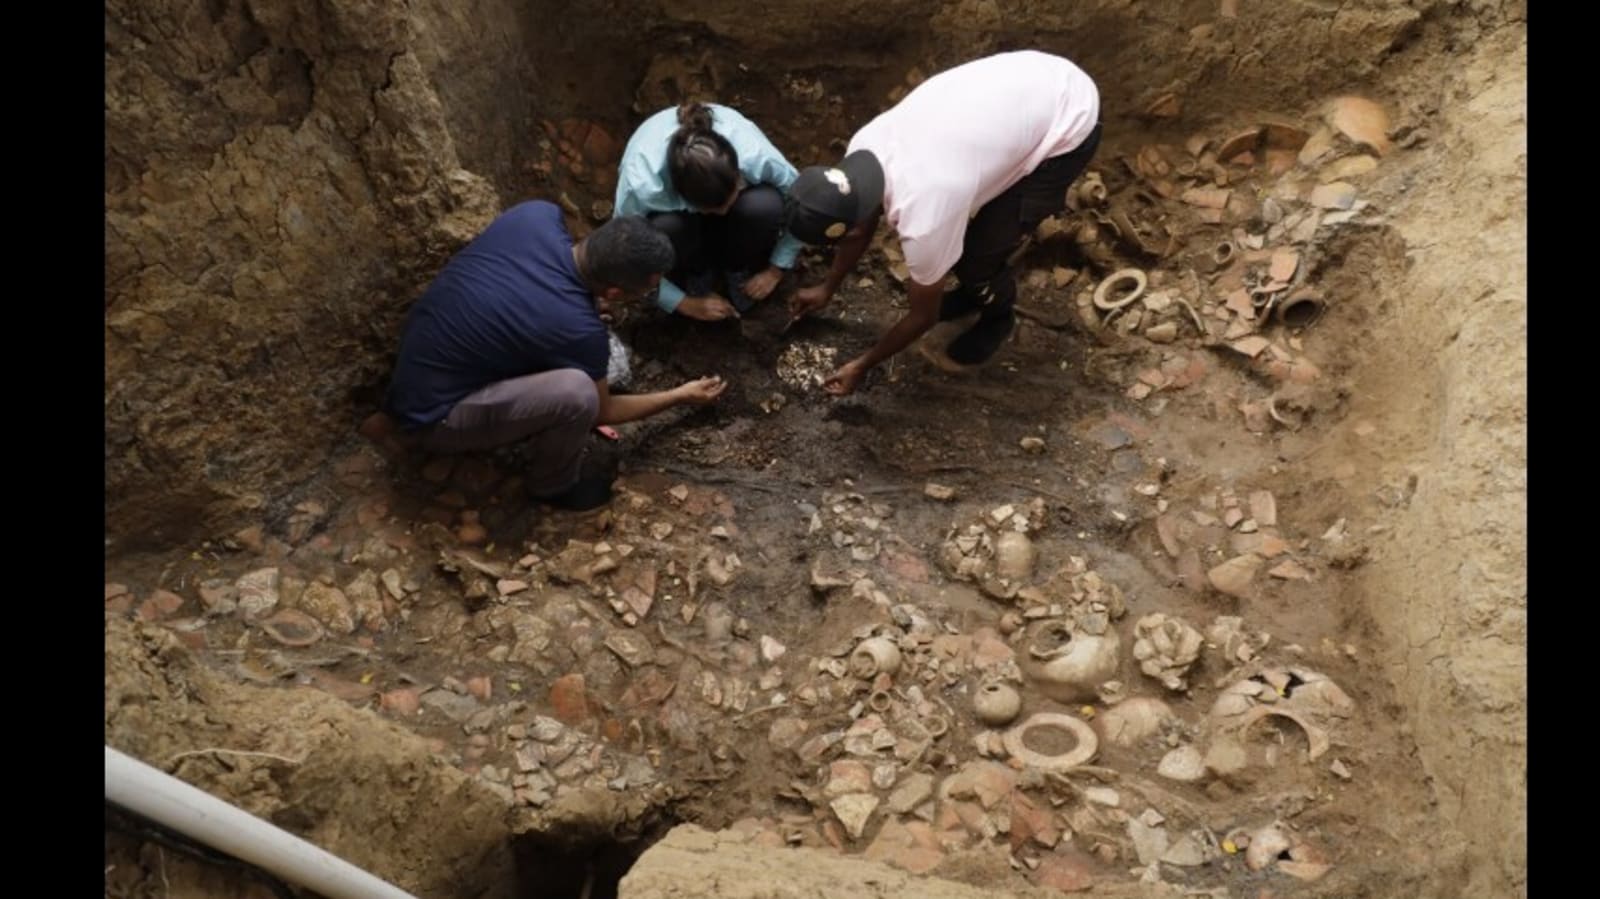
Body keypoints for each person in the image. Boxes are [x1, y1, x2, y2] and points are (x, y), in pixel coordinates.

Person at [361, 201, 726, 511]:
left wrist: (576, 311)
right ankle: (553, 485)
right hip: (433, 417)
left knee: (576, 365)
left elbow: (520, 290)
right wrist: (680, 396)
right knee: (578, 394)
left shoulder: (537, 214)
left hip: (419, 365)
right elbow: (604, 411)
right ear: (613, 293)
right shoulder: (579, 330)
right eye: (643, 292)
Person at [783, 50, 1103, 395]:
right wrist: (827, 288)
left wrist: (861, 365)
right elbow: (860, 224)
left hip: (1068, 119)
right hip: (1028, 81)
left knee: (978, 258)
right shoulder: (864, 148)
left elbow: (924, 316)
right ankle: (973, 293)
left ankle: (998, 316)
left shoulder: (924, 215)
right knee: (973, 234)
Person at [614, 101, 807, 322]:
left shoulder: (755, 156)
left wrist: (776, 269)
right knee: (667, 227)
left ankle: (737, 266)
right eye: (714, 209)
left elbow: (801, 205)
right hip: (680, 224)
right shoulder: (641, 184)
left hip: (740, 213)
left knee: (764, 206)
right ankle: (696, 273)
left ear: (738, 173)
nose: (723, 212)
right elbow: (624, 256)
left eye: (730, 201)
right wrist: (682, 303)